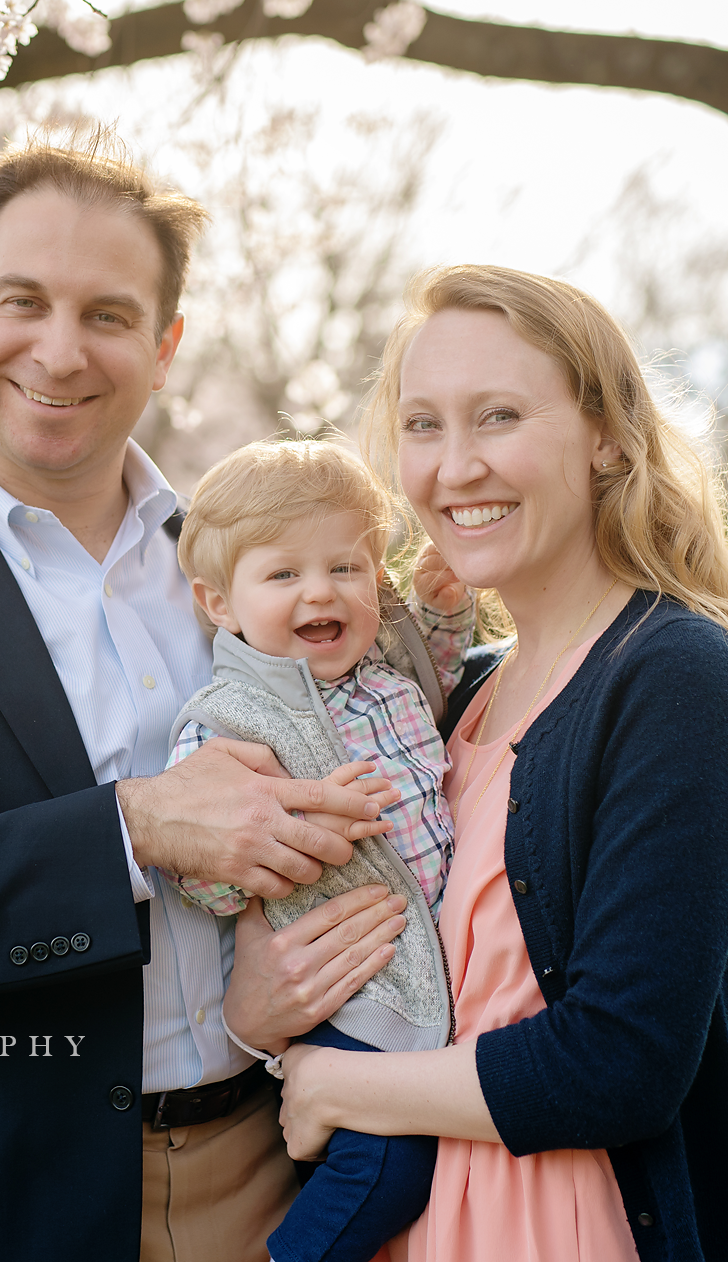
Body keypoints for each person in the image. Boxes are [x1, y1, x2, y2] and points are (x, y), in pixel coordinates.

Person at [0, 131, 408, 1262]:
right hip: (4, 1209)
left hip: (286, 1169)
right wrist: (132, 829)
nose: (57, 350)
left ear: (164, 344)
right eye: (22, 301)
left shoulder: (255, 576)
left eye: (105, 314)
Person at [265, 265, 728, 1262]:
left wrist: (337, 1087)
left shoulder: (671, 676)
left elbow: (621, 1060)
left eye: (498, 417)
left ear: (605, 434)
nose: (453, 467)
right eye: (423, 426)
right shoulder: (461, 694)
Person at [160, 439, 473, 1262]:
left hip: (434, 969)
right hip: (350, 991)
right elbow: (204, 880)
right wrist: (299, 841)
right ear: (219, 602)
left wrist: (442, 612)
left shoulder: (381, 672)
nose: (320, 591)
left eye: (346, 567)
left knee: (430, 1167)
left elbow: (436, 693)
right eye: (284, 574)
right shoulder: (226, 720)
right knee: (385, 1167)